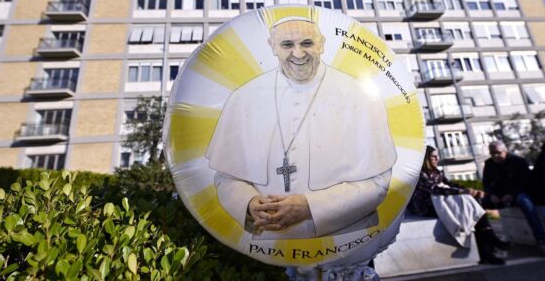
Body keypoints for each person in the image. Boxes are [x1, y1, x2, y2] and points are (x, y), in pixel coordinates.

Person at [206, 17, 397, 241]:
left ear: (321, 44)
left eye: (307, 43)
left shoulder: (359, 95)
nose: (298, 53)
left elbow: (378, 181)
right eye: (287, 45)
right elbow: (226, 176)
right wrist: (247, 202)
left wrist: (309, 206)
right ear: (272, 46)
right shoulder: (244, 97)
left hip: (346, 240)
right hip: (270, 245)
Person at [408, 145, 508, 265]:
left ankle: (487, 253)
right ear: (425, 159)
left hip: (441, 204)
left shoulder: (436, 172)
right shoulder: (418, 175)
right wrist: (461, 192)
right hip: (426, 207)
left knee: (472, 204)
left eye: (437, 156)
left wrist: (470, 190)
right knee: (468, 203)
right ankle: (491, 242)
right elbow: (435, 189)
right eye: (434, 157)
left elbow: (450, 184)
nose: (437, 159)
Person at [482, 141, 545, 257]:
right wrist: (491, 194)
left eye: (498, 153)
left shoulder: (518, 161)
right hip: (499, 197)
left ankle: (541, 240)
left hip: (517, 194)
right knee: (479, 205)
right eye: (492, 153)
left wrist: (512, 194)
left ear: (505, 151)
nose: (495, 156)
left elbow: (526, 181)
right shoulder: (489, 164)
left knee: (525, 202)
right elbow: (486, 183)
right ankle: (490, 242)